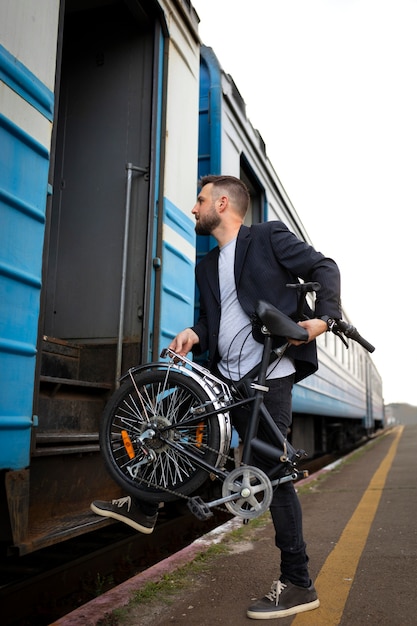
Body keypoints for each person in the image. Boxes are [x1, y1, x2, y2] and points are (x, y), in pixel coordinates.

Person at [91, 175, 342, 619]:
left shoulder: (268, 237)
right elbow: (212, 321)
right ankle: (144, 503)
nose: (194, 208)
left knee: (273, 471)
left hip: (270, 373)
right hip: (224, 376)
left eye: (201, 200)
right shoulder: (207, 266)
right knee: (173, 430)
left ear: (222, 203)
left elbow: (326, 268)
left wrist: (323, 320)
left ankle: (299, 583)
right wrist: (194, 331)